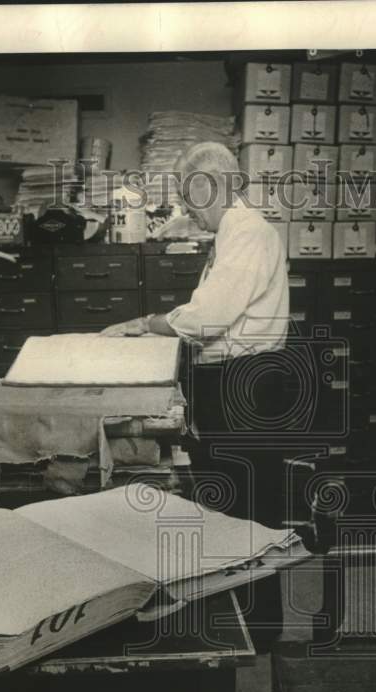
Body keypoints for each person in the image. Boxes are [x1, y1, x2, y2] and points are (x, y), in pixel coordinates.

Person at [101, 141, 291, 654]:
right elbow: (209, 309)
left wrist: (146, 324)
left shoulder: (247, 232)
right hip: (232, 382)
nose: (186, 210)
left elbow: (207, 318)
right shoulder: (232, 232)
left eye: (190, 197)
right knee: (231, 503)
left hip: (245, 386)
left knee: (248, 509)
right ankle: (242, 619)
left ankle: (258, 629)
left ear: (211, 186)